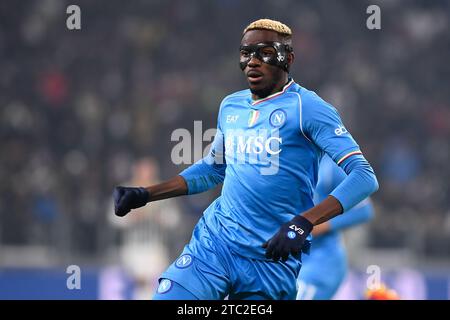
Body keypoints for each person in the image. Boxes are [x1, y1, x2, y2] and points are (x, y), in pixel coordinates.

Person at [113, 18, 379, 300]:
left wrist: (305, 222)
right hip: (215, 246)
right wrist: (145, 194)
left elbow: (364, 176)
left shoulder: (309, 108)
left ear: (287, 59)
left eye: (264, 52)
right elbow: (214, 169)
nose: (253, 62)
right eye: (246, 53)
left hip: (269, 259)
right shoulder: (231, 105)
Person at [296, 154, 375, 300]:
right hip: (286, 258)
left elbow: (364, 209)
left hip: (321, 259)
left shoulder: (330, 166)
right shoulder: (274, 160)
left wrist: (322, 225)